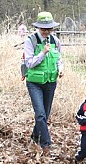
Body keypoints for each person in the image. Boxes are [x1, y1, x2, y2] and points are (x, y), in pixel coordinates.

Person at [24, 11, 63, 154]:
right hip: (34, 82)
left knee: (45, 114)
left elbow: (59, 59)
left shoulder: (56, 41)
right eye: (43, 29)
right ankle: (46, 144)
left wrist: (60, 69)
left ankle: (35, 136)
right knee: (40, 114)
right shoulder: (31, 41)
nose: (46, 32)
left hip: (50, 82)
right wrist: (43, 53)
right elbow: (29, 63)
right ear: (38, 28)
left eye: (49, 29)